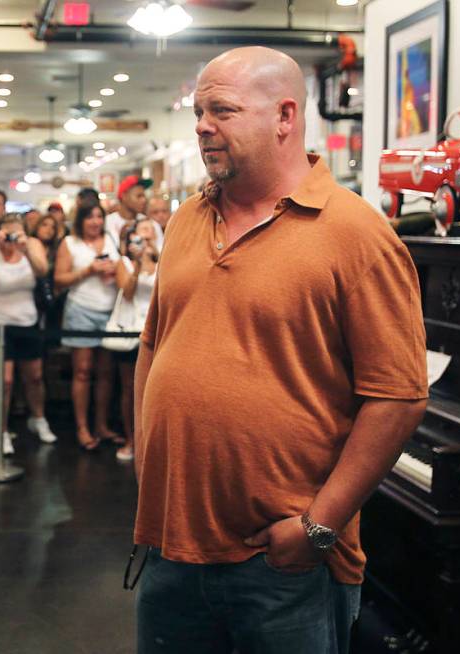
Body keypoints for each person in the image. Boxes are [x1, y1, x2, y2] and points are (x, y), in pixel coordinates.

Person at [132, 46, 428, 654]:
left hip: (284, 563)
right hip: (170, 544)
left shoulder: (355, 233)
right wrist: (148, 467)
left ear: (285, 116)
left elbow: (397, 397)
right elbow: (153, 345)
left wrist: (317, 527)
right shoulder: (189, 218)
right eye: (198, 111)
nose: (202, 126)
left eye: (223, 110)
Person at [0, 215, 57, 453]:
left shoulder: (32, 245)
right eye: (7, 233)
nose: (11, 238)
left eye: (16, 232)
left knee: (35, 377)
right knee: (4, 381)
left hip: (26, 320)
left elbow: (42, 271)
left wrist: (25, 249)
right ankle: (1, 432)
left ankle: (39, 419)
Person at [53, 204, 122, 451]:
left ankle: (101, 424)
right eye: (89, 217)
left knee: (106, 372)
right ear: (80, 220)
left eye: (98, 217)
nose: (94, 222)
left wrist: (115, 271)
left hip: (110, 310)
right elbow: (59, 279)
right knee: (82, 371)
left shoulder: (111, 239)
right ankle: (82, 426)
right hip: (81, 309)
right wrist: (88, 270)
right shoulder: (69, 243)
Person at [113, 219, 159, 463]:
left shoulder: (166, 258)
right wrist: (139, 263)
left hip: (157, 330)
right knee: (130, 388)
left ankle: (153, 441)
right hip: (130, 331)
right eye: (142, 232)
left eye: (151, 232)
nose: (147, 236)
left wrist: (155, 256)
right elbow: (128, 292)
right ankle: (132, 438)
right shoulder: (125, 262)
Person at [106, 175, 163, 251]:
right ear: (124, 196)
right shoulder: (106, 223)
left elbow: (161, 255)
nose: (144, 200)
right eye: (139, 196)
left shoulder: (152, 225)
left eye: (144, 196)